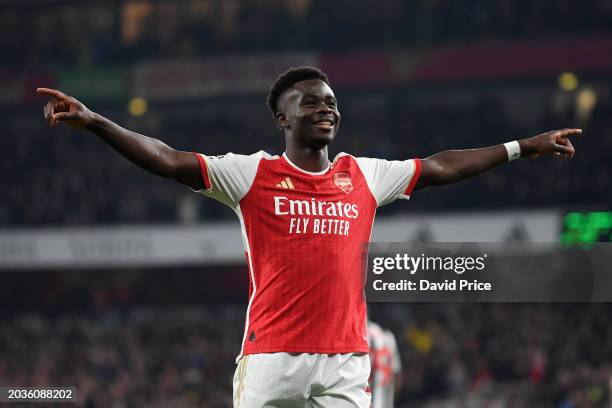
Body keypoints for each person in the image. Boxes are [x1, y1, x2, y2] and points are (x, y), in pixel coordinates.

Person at [37, 66, 581, 407]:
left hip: (346, 360)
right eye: (312, 102)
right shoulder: (250, 174)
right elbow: (169, 160)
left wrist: (521, 147)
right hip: (272, 359)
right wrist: (99, 122)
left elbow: (442, 167)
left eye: (331, 102)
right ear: (282, 118)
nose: (327, 108)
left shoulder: (364, 175)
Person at [367, 321, 402, 408]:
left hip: (369, 395)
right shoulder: (389, 337)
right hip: (381, 394)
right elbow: (396, 372)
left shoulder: (365, 333)